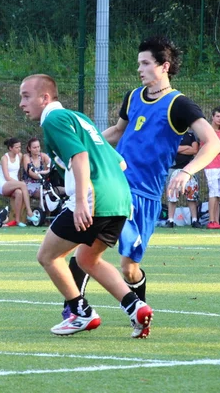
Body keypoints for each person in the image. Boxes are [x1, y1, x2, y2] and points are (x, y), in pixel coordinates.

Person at [65, 36, 220, 318]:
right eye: (139, 64)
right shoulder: (133, 97)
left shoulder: (179, 104)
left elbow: (213, 143)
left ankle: (138, 307)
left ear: (164, 66)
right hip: (114, 185)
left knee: (128, 267)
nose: (140, 69)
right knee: (86, 246)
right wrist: (85, 145)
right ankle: (75, 310)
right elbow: (116, 131)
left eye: (146, 63)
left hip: (145, 196)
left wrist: (187, 171)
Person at [19, 73, 154, 338]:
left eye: (26, 96)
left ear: (45, 98)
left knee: (47, 256)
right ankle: (135, 307)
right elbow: (119, 162)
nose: (21, 103)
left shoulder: (54, 119)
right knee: (87, 258)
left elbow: (80, 156)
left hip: (96, 199)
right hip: (120, 199)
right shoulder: (80, 118)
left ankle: (80, 312)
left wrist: (81, 200)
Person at [0, 137, 39, 227]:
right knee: (23, 184)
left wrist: (19, 183)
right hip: (3, 184)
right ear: (10, 148)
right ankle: (29, 212)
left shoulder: (20, 156)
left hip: (14, 184)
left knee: (19, 193)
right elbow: (7, 177)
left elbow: (18, 171)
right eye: (16, 147)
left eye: (20, 147)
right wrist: (19, 183)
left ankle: (17, 220)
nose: (19, 149)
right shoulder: (4, 158)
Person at [163, 127, 200, 228]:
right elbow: (171, 149)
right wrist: (187, 148)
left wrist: (179, 148)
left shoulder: (191, 135)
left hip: (189, 169)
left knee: (192, 195)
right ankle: (170, 220)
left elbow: (195, 150)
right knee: (172, 195)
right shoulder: (171, 134)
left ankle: (194, 220)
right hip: (173, 169)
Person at [203, 106, 220, 229]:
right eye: (218, 116)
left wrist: (218, 147)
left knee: (219, 194)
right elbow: (207, 148)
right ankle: (211, 221)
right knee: (213, 193)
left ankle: (216, 221)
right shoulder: (207, 131)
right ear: (212, 117)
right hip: (211, 166)